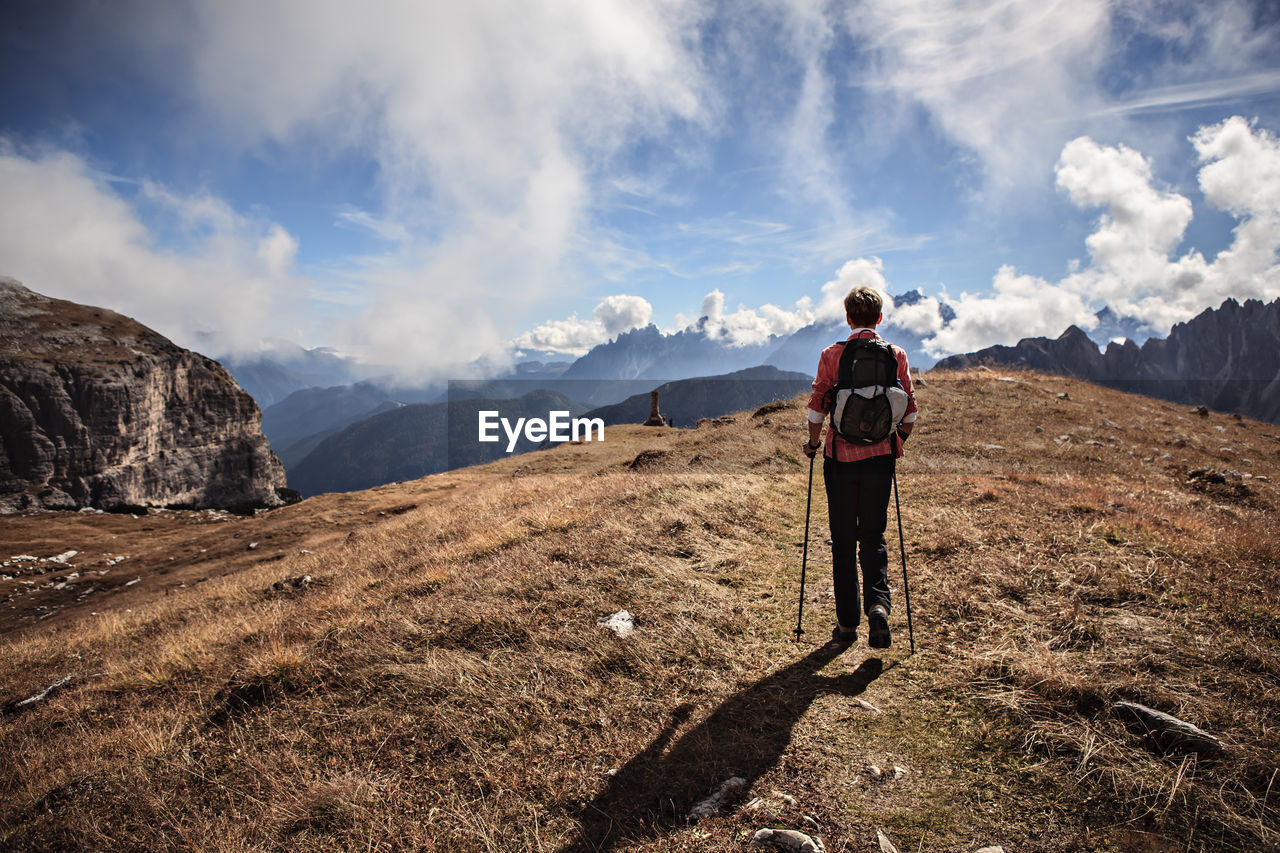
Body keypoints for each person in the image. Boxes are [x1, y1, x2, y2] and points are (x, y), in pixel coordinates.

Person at [802, 286, 916, 649]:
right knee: (873, 536)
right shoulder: (896, 354)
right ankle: (878, 608)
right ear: (879, 318)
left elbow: (817, 405)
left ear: (848, 317)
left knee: (843, 541)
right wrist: (895, 442)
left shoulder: (832, 355)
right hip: (880, 461)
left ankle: (847, 625)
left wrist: (814, 443)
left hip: (840, 460)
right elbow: (910, 412)